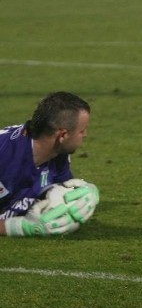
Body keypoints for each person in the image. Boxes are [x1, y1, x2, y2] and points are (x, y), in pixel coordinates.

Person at [1, 92, 100, 237]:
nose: (85, 134)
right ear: (62, 135)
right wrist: (18, 227)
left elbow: (61, 190)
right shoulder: (5, 157)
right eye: (82, 130)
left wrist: (84, 191)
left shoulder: (57, 153)